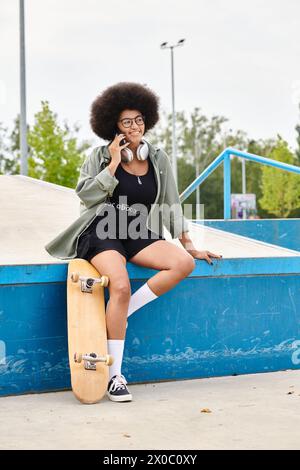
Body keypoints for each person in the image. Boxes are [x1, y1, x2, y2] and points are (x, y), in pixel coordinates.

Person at [45, 81, 222, 403]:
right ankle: (115, 376)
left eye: (139, 120)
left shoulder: (157, 158)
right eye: (127, 121)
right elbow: (86, 196)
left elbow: (171, 203)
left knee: (183, 264)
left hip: (139, 231)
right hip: (102, 229)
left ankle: (121, 312)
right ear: (114, 124)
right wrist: (113, 163)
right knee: (120, 287)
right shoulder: (98, 156)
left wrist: (189, 244)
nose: (135, 126)